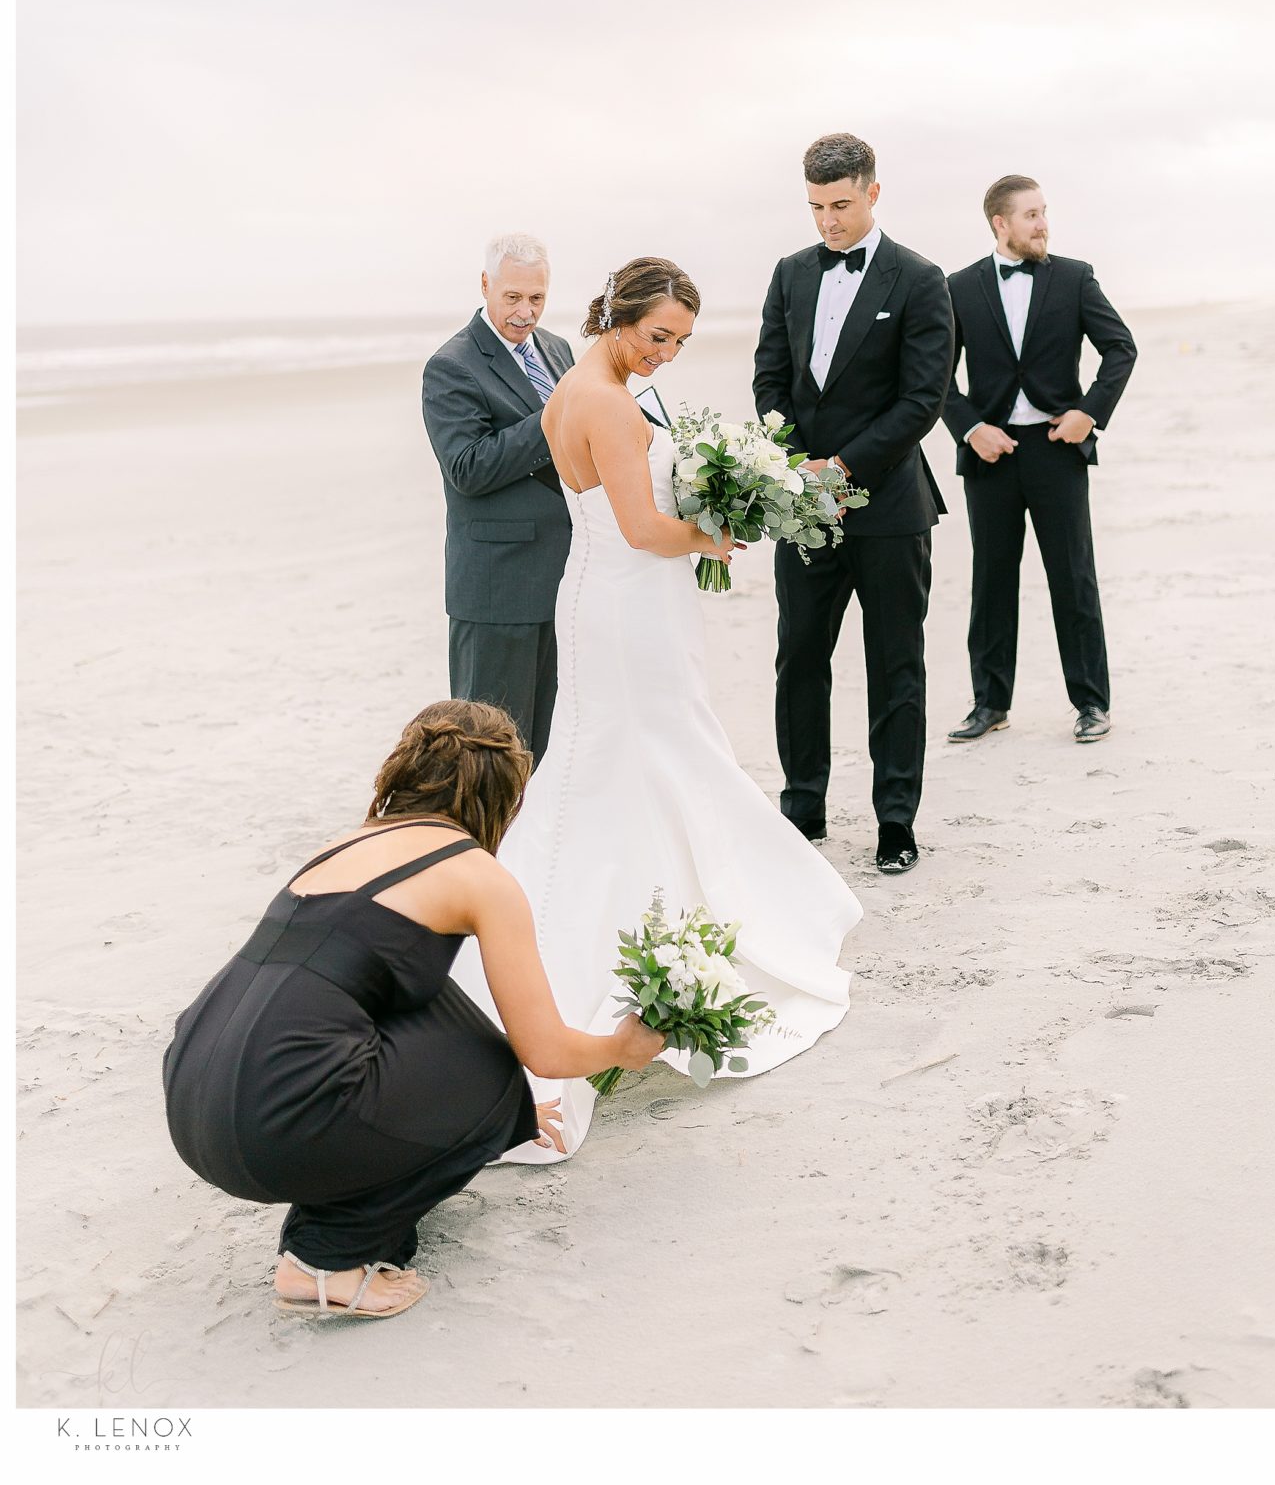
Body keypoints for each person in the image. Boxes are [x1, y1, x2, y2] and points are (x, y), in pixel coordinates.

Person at [452, 256, 861, 1160]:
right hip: (628, 598)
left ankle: (671, 905)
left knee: (628, 764)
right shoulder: (598, 398)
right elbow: (642, 527)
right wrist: (730, 527)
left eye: (679, 341)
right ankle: (640, 937)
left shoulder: (580, 380)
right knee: (663, 754)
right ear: (617, 315)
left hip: (616, 597)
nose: (667, 354)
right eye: (657, 335)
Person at [162, 701, 663, 1321]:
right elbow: (546, 1052)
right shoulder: (476, 875)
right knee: (494, 1075)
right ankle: (325, 1259)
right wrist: (624, 1050)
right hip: (277, 1128)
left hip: (193, 1103)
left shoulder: (346, 843)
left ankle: (438, 1144)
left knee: (420, 999)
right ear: (504, 795)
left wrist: (511, 1117)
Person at [753, 134, 955, 877]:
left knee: (895, 665)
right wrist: (800, 464)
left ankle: (895, 820)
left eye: (840, 205)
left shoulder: (920, 279)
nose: (827, 222)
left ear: (873, 192)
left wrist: (845, 466)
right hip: (803, 504)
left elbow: (921, 399)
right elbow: (770, 379)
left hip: (890, 505)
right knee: (799, 657)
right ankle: (801, 807)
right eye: (815, 207)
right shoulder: (789, 274)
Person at [942, 174, 1138, 745]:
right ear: (1000, 224)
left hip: (1058, 450)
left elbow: (1120, 349)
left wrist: (1088, 413)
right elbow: (932, 375)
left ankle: (1091, 703)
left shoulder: (1075, 278)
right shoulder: (958, 287)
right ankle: (989, 704)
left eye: (1044, 212)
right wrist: (971, 427)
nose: (1043, 223)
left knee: (1073, 578)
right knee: (992, 580)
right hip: (991, 454)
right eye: (1031, 215)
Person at [422, 234, 575, 765]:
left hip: (561, 574)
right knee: (488, 753)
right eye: (512, 297)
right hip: (496, 584)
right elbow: (467, 468)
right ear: (486, 285)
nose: (525, 312)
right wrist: (552, 419)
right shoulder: (452, 365)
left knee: (547, 747)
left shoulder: (557, 350)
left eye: (537, 298)